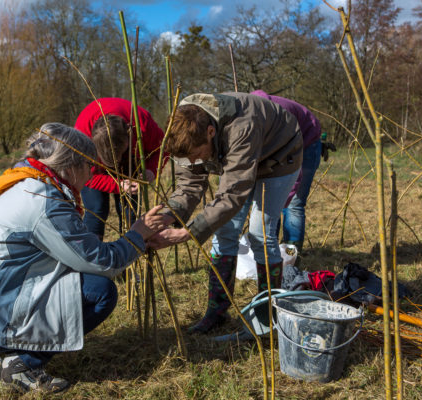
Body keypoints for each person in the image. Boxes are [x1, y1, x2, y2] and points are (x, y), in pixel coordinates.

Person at [0, 123, 168, 393]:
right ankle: (20, 365)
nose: (91, 174)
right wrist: (137, 235)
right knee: (100, 292)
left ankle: (12, 346)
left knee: (79, 283)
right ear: (71, 166)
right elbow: (102, 263)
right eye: (89, 166)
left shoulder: (27, 182)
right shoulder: (44, 201)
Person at [148, 92, 303, 333]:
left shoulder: (242, 126)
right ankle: (217, 311)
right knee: (225, 231)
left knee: (260, 234)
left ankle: (267, 312)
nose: (193, 160)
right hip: (237, 162)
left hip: (279, 157)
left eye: (197, 155)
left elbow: (232, 194)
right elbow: (188, 186)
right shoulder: (183, 132)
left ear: (211, 131)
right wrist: (166, 217)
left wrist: (188, 233)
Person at [75, 98, 167, 239]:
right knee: (96, 209)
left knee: (129, 211)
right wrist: (118, 185)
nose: (115, 163)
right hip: (94, 168)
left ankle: (128, 251)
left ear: (129, 136)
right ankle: (91, 255)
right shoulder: (81, 136)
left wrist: (151, 170)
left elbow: (162, 148)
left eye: (118, 156)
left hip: (130, 162)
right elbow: (86, 177)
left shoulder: (142, 123)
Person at [251, 90, 323, 252]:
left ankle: (292, 252)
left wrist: (280, 202)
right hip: (283, 144)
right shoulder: (249, 119)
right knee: (270, 202)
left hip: (307, 141)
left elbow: (295, 172)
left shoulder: (279, 120)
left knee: (294, 204)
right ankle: (271, 248)